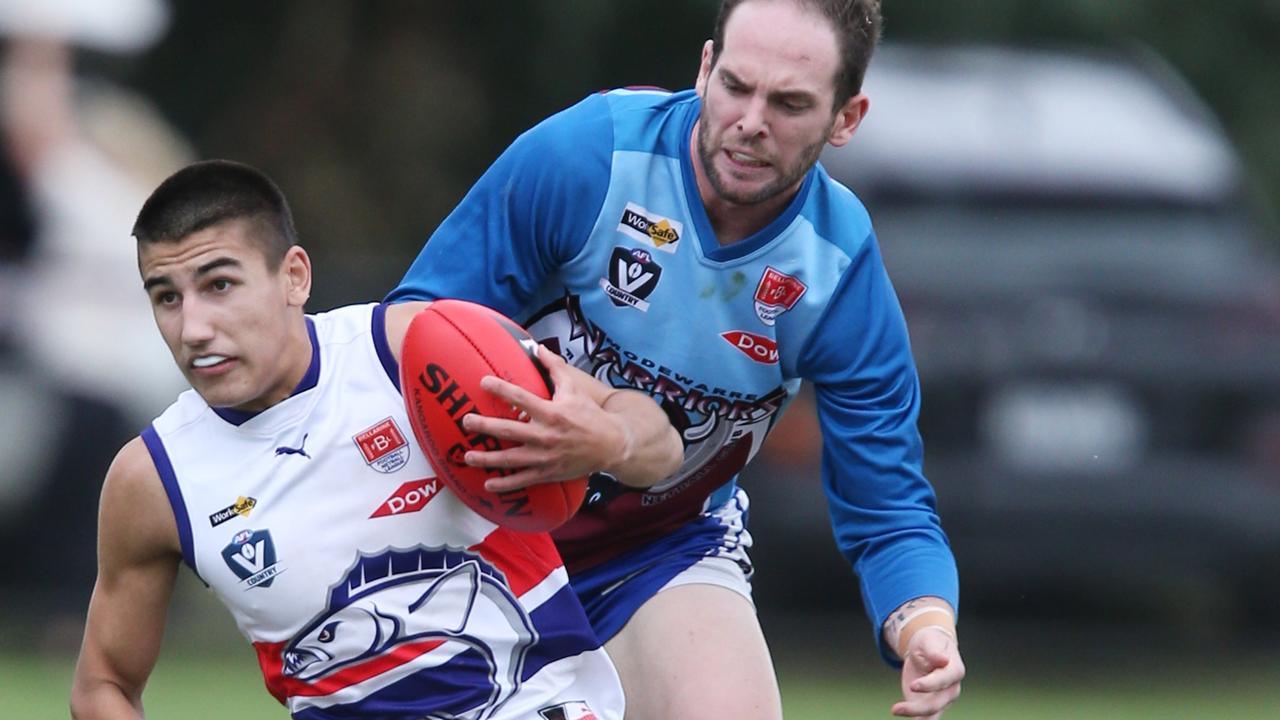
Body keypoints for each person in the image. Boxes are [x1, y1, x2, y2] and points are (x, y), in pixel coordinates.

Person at [387, 1, 965, 718]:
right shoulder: (591, 156)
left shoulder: (836, 271)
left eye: (789, 103)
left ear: (846, 118)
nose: (751, 121)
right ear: (703, 69)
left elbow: (889, 506)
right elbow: (409, 324)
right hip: (472, 530)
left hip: (656, 548)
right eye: (735, 86)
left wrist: (925, 627)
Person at [69, 159, 683, 719]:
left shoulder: (412, 349)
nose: (193, 327)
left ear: (294, 277)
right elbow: (104, 685)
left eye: (219, 285)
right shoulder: (154, 478)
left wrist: (608, 440)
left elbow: (661, 444)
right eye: (166, 298)